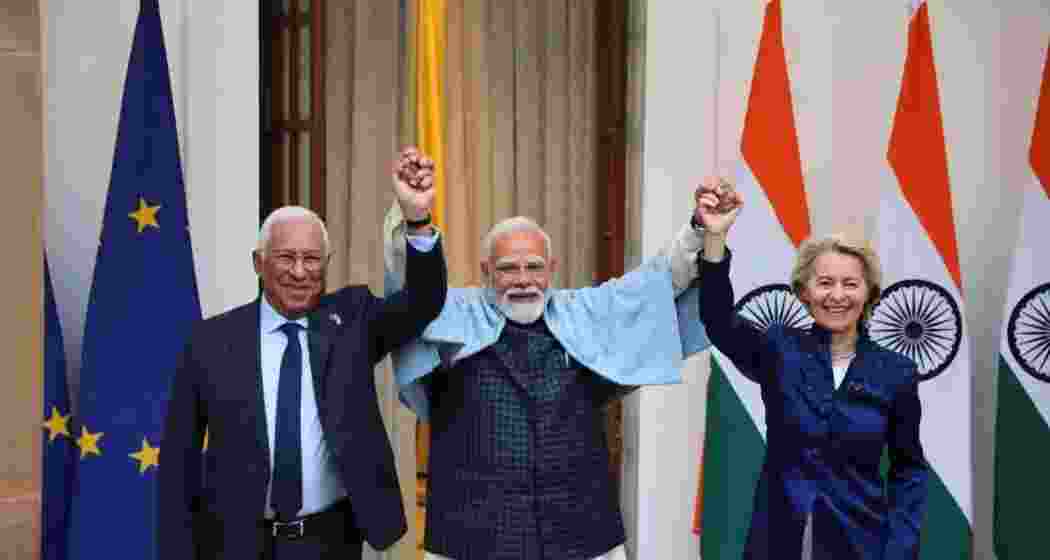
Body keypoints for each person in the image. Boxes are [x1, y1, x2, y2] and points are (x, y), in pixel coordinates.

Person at [383, 177, 716, 560]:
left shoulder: (583, 312)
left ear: (552, 268)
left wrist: (699, 229)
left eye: (534, 266)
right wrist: (416, 218)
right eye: (508, 268)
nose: (523, 280)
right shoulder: (451, 313)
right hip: (472, 535)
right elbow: (408, 293)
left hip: (579, 530)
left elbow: (656, 283)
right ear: (486, 270)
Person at [158, 148, 448, 560]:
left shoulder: (352, 320)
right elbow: (177, 461)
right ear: (258, 263)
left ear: (326, 263)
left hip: (327, 539)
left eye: (312, 259)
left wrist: (417, 219)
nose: (299, 271)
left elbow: (424, 301)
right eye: (286, 257)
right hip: (234, 542)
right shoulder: (209, 341)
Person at [694, 181, 929, 559]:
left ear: (869, 292)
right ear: (804, 291)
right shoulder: (779, 350)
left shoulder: (896, 372)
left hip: (861, 544)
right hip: (778, 540)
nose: (837, 296)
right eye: (825, 283)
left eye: (850, 284)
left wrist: (900, 550)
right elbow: (718, 319)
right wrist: (715, 238)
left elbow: (909, 471)